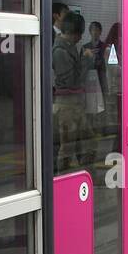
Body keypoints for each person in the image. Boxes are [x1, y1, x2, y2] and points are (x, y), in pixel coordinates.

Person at [52, 11, 87, 171]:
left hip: (75, 103)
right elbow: (72, 81)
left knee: (85, 142)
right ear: (73, 32)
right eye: (79, 33)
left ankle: (84, 173)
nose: (80, 38)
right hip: (66, 105)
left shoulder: (70, 48)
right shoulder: (60, 51)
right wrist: (86, 60)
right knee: (67, 148)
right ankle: (62, 179)